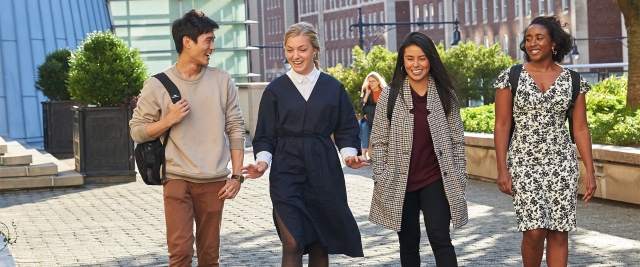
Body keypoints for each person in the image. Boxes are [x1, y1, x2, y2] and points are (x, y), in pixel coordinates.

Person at [241, 22, 368, 266]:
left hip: (324, 171)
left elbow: (346, 127)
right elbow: (265, 134)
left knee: (320, 244)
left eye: (302, 50)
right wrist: (262, 163)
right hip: (286, 171)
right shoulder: (275, 90)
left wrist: (350, 154)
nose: (295, 56)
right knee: (293, 242)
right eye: (290, 50)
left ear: (315, 50)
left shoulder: (333, 87)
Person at [129, 9, 245, 266]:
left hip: (214, 181)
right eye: (208, 40)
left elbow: (236, 128)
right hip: (176, 178)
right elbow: (136, 130)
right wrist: (168, 120)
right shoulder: (157, 84)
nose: (212, 47)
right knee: (180, 253)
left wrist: (237, 176)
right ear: (187, 42)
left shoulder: (222, 80)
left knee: (209, 256)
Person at [493, 16, 597, 267]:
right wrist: (501, 168)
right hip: (523, 162)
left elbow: (581, 129)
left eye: (539, 38)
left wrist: (590, 170)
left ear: (553, 43)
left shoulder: (573, 80)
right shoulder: (511, 77)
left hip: (561, 163)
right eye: (528, 39)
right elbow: (502, 125)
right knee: (534, 231)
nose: (532, 43)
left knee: (559, 233)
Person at [368, 32, 469, 267]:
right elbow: (380, 140)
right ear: (402, 61)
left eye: (422, 58)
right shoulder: (390, 95)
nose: (416, 64)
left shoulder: (446, 95)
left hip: (436, 179)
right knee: (409, 243)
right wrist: (380, 176)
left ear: (431, 59)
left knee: (440, 238)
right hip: (399, 181)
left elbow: (457, 141)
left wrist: (460, 175)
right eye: (410, 58)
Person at [359, 72, 387, 160]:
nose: (370, 83)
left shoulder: (385, 91)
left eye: (373, 81)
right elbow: (361, 106)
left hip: (382, 119)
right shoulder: (366, 91)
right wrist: (367, 93)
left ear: (378, 81)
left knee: (363, 125)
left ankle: (364, 152)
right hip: (369, 119)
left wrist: (369, 111)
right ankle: (364, 153)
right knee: (362, 125)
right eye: (369, 81)